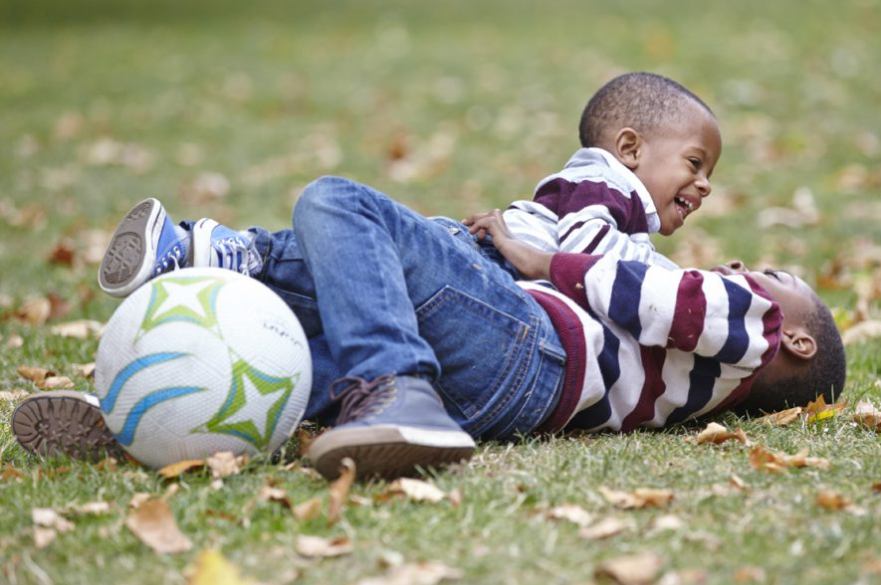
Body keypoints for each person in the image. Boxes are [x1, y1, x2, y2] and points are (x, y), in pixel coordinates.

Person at [13, 177, 846, 480]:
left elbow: (646, 295)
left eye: (771, 275)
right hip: (502, 398)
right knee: (311, 345)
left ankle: (233, 261)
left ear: (796, 341)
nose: (746, 270)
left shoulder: (752, 327)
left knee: (338, 206)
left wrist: (532, 257)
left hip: (532, 348)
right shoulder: (696, 386)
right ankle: (150, 423)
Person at [469, 71, 722, 272]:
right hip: (486, 261)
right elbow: (595, 262)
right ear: (630, 150)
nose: (705, 186)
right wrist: (687, 282)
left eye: (708, 175)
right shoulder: (604, 183)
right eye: (694, 163)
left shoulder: (616, 208)